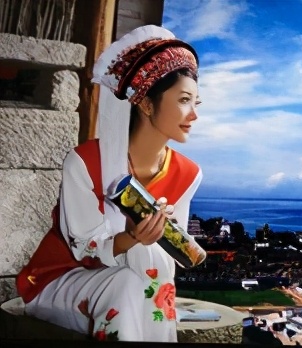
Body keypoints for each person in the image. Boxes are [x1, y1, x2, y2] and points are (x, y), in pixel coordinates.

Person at [16, 25, 203, 342]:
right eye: (184, 100)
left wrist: (163, 235)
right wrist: (132, 237)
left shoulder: (187, 173)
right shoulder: (86, 162)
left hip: (140, 281)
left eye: (196, 102)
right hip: (63, 278)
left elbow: (172, 254)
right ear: (145, 104)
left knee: (144, 270)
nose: (194, 115)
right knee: (126, 285)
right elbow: (82, 247)